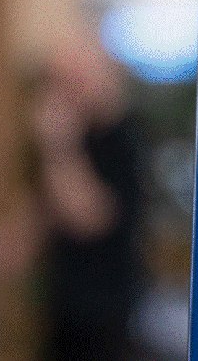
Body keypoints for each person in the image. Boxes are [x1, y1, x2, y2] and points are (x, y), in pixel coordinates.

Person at [27, 40, 150, 360]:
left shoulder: (123, 139)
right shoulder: (82, 137)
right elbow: (50, 212)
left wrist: (57, 146)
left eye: (70, 81)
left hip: (103, 313)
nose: (61, 95)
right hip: (66, 308)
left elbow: (89, 218)